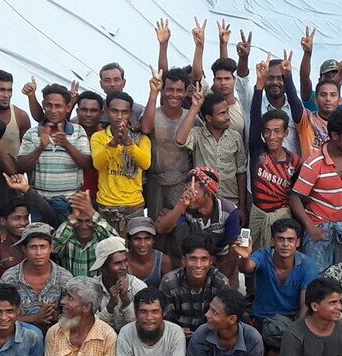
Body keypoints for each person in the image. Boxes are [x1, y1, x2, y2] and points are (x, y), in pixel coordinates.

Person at [290, 107, 342, 270]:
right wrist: (310, 227)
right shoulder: (314, 163)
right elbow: (295, 197)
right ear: (335, 136)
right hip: (318, 231)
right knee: (315, 282)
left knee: (338, 282)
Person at [236, 218, 322, 349]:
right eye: (280, 239)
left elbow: (305, 305)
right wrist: (245, 256)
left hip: (291, 320)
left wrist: (298, 335)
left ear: (298, 242)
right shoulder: (263, 255)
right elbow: (246, 268)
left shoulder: (308, 266)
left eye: (290, 240)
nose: (285, 244)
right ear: (272, 241)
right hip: (261, 318)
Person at [18, 84, 93, 225]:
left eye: (58, 106)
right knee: (40, 243)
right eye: (49, 105)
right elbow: (20, 166)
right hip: (40, 201)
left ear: (68, 107)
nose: (53, 110)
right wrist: (41, 147)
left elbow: (87, 165)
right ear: (43, 105)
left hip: (70, 202)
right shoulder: (32, 133)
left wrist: (66, 144)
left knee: (66, 243)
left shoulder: (78, 131)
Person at [145, 27, 197, 216]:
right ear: (163, 91)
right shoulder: (154, 113)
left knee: (179, 228)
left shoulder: (191, 117)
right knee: (154, 227)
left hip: (181, 182)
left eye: (179, 90)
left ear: (185, 93)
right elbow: (145, 127)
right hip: (155, 181)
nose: (174, 94)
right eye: (170, 90)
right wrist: (163, 46)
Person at [155, 167, 242, 278]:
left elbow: (233, 248)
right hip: (196, 257)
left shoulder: (228, 210)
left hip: (221, 258)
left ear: (208, 194)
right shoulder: (186, 206)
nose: (189, 195)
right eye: (186, 190)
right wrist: (181, 204)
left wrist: (226, 279)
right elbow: (162, 228)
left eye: (193, 191)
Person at [247, 88, 301, 251]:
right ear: (262, 133)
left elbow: (296, 196)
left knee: (280, 256)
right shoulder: (258, 151)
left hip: (281, 218)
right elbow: (254, 119)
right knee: (251, 256)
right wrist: (258, 88)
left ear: (286, 133)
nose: (272, 136)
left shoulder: (295, 162)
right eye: (267, 131)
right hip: (257, 216)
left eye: (277, 131)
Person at [91, 91, 151, 236]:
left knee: (135, 252)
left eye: (124, 112)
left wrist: (129, 144)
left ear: (130, 114)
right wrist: (113, 143)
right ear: (106, 112)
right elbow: (98, 164)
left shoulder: (141, 139)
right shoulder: (98, 137)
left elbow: (145, 164)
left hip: (133, 207)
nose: (119, 117)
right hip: (106, 207)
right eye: (114, 111)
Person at [177, 91, 249, 208]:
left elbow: (241, 172)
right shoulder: (197, 135)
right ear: (209, 118)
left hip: (231, 201)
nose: (227, 117)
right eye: (222, 114)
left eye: (227, 112)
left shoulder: (235, 137)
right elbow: (180, 139)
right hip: (203, 201)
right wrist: (195, 107)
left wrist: (242, 207)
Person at [0, 222, 72, 329]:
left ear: (50, 248)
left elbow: (73, 316)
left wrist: (56, 317)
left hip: (56, 336)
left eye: (43, 247)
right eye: (33, 247)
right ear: (24, 249)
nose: (38, 253)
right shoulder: (10, 278)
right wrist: (34, 318)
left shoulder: (64, 278)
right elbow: (0, 317)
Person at [161, 236, 233, 336]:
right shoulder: (169, 282)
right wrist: (177, 331)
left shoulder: (221, 283)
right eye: (193, 259)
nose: (198, 265)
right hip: (176, 336)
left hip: (211, 336)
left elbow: (225, 319)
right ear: (183, 260)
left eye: (204, 259)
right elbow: (164, 318)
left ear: (211, 261)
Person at [53, 191, 117, 278]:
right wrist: (71, 220)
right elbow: (53, 247)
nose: (84, 226)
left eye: (88, 221)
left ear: (95, 222)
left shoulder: (101, 238)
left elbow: (117, 243)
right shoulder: (67, 238)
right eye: (78, 221)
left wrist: (92, 212)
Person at [91, 236, 145, 333]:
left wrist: (126, 302)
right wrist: (111, 306)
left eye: (125, 261)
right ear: (103, 268)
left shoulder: (138, 287)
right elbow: (89, 326)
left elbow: (142, 326)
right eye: (117, 263)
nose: (124, 267)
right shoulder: (92, 288)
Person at [0, 69, 32, 158]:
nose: (6, 95)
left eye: (9, 90)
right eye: (1, 90)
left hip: (12, 171)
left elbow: (27, 154)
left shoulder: (20, 117)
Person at [0, 199, 33, 287]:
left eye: (26, 218)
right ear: (3, 221)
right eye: (16, 218)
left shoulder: (35, 242)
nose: (23, 223)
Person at [125, 217, 171, 290]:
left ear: (153, 240)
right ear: (129, 241)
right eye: (137, 239)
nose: (142, 244)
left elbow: (166, 291)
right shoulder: (122, 261)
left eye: (147, 238)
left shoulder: (164, 261)